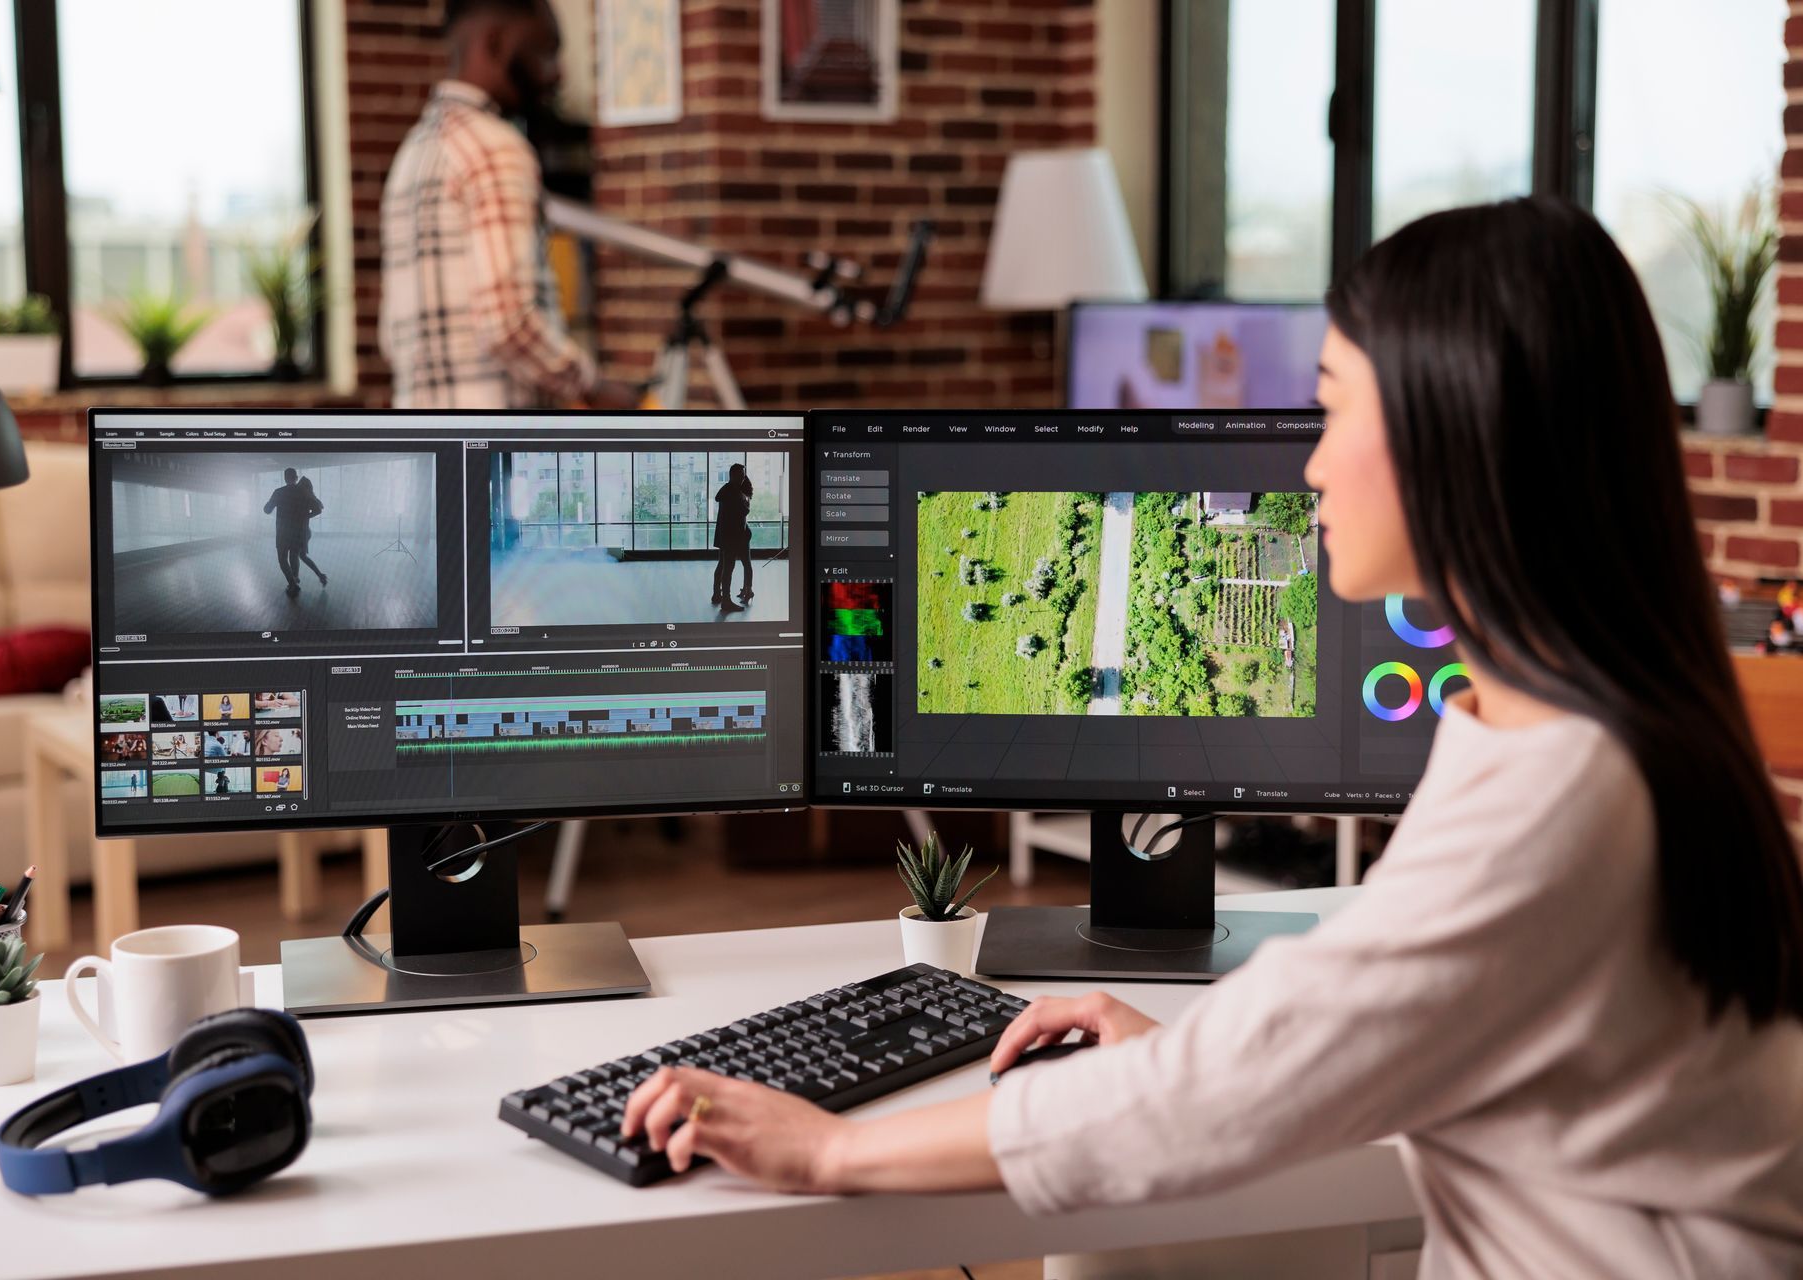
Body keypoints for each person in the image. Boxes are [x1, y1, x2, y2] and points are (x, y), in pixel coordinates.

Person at [621, 199, 1803, 1277]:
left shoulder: (1560, 793)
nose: (1310, 461)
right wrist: (1197, 1043)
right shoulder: (1581, 726)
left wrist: (829, 1149)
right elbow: (1437, 1018)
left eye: (1336, 406)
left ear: (1456, 433)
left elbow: (1229, 1091)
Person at [380, 0, 638, 410]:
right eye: (545, 50)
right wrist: (594, 388)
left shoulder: (413, 150)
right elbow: (508, 324)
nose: (557, 72)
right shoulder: (497, 148)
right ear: (495, 42)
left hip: (426, 439)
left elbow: (393, 337)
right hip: (497, 441)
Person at [711, 464, 753, 610]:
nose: (743, 477)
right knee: (729, 567)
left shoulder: (726, 490)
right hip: (733, 536)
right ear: (733, 475)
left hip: (725, 534)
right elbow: (743, 511)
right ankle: (726, 600)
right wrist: (745, 502)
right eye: (741, 474)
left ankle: (717, 594)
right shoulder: (735, 492)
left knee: (722, 565)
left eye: (743, 474)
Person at [264, 468, 311, 596]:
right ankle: (295, 578)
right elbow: (313, 506)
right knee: (294, 556)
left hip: (283, 532)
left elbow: (267, 510)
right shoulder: (303, 492)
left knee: (282, 559)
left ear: (285, 478)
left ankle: (292, 583)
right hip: (298, 531)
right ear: (296, 477)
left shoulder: (279, 492)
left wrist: (267, 505)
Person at [292, 475, 328, 589]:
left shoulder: (304, 497)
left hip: (301, 532)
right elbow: (319, 508)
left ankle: (295, 578)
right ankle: (320, 575)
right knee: (301, 556)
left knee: (296, 555)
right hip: (304, 531)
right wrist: (306, 516)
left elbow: (318, 510)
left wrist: (304, 516)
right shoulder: (309, 496)